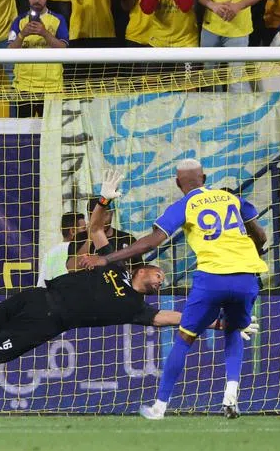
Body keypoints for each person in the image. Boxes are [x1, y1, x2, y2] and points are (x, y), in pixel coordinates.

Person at [0, 173, 244, 415]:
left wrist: (214, 323)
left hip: (48, 323)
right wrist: (104, 200)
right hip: (36, 297)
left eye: (162, 281)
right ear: (142, 268)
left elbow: (173, 318)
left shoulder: (137, 308)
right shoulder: (115, 265)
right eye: (159, 274)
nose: (160, 280)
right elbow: (95, 228)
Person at [80, 159, 267, 419]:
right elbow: (261, 236)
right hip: (247, 276)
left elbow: (150, 243)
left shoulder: (184, 205)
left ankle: (160, 406)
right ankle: (230, 395)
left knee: (185, 338)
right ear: (204, 178)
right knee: (233, 329)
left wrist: (106, 259)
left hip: (212, 277)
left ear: (178, 183)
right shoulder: (231, 198)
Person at [8, 0, 68, 116]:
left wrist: (45, 33)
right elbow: (10, 51)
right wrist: (22, 34)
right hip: (23, 87)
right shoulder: (19, 21)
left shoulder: (58, 19)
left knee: (50, 130)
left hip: (52, 88)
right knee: (22, 130)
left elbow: (64, 49)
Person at [37, 210, 86, 287]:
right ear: (73, 231)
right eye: (84, 229)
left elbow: (42, 285)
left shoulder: (50, 254)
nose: (86, 232)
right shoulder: (83, 250)